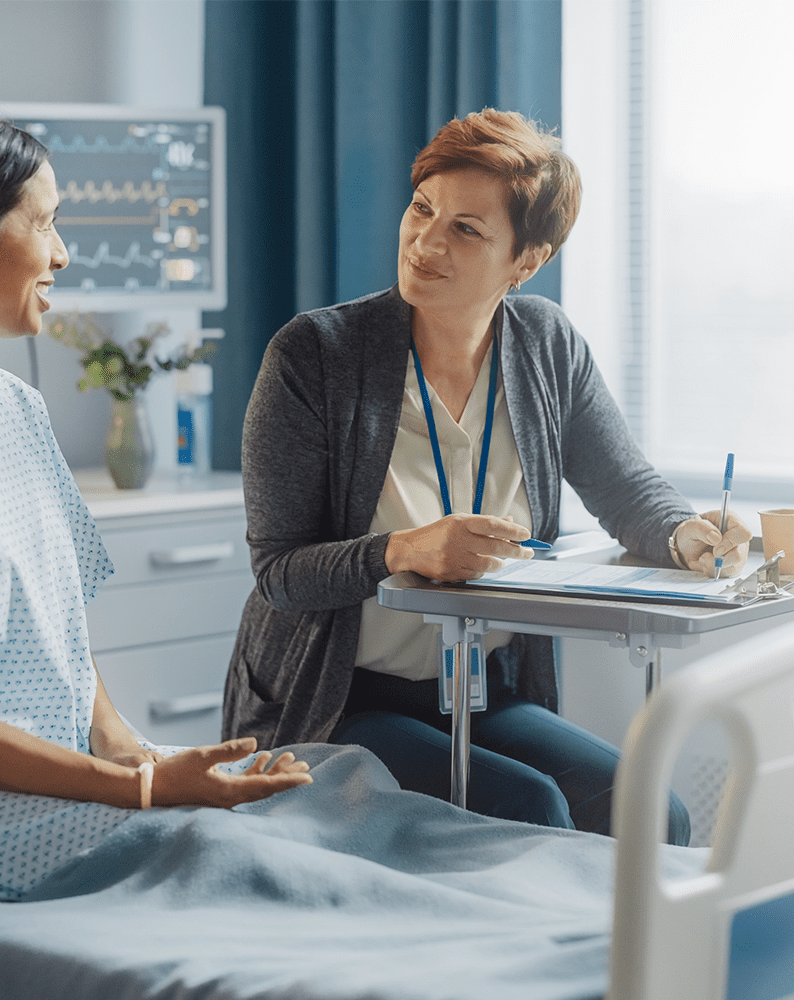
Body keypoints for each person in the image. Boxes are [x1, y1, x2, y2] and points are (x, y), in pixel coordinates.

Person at [0, 110, 312, 899]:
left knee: (299, 803)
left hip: (45, 779)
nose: (63, 253)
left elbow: (61, 633)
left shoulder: (15, 407)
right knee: (215, 852)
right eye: (46, 223)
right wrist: (138, 794)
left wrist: (132, 752)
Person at [223, 109, 751, 844]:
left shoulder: (545, 345)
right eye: (423, 209)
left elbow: (627, 489)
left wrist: (687, 534)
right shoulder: (317, 355)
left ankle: (629, 966)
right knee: (529, 810)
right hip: (339, 699)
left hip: (476, 692)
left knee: (653, 812)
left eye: (466, 230)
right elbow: (280, 572)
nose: (426, 241)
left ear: (525, 261)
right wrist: (401, 552)